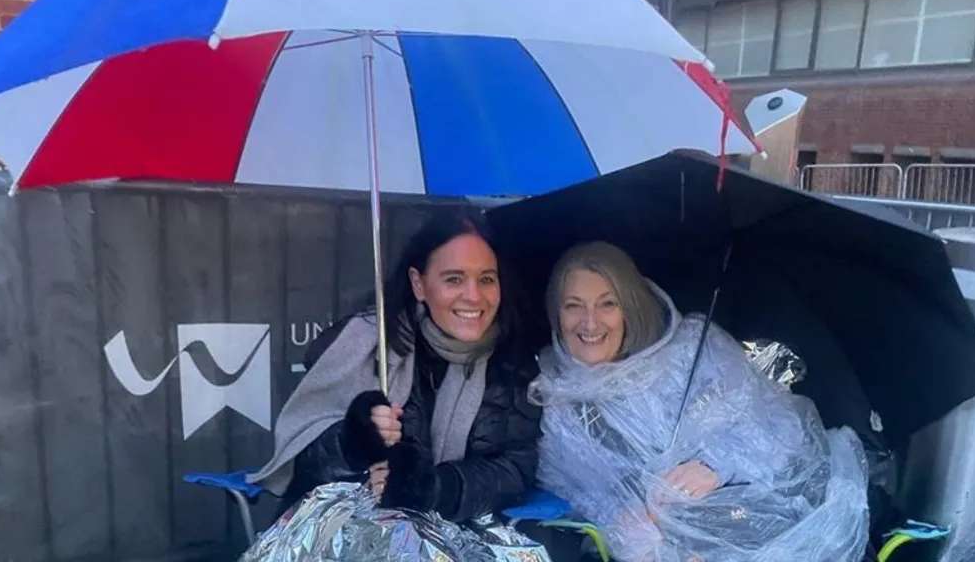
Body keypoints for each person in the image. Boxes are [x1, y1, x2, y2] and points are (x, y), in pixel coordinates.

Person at [529, 241, 871, 562]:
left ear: (630, 305)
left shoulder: (693, 350)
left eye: (607, 304)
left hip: (749, 521)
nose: (590, 323)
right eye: (574, 306)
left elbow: (779, 424)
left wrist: (716, 465)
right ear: (556, 314)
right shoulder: (558, 396)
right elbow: (567, 487)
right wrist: (622, 522)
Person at [246, 208, 542, 524]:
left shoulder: (513, 361)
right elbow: (303, 466)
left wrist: (435, 488)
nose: (474, 296)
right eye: (454, 279)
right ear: (418, 284)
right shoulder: (365, 344)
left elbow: (517, 469)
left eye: (486, 279)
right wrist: (354, 440)